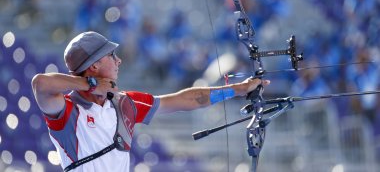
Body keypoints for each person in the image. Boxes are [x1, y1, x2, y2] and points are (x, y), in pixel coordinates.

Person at [31, 31, 270, 171]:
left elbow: (188, 100)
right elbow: (40, 83)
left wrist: (237, 89)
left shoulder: (125, 103)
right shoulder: (67, 110)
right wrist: (92, 85)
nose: (119, 60)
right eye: (111, 56)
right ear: (94, 65)